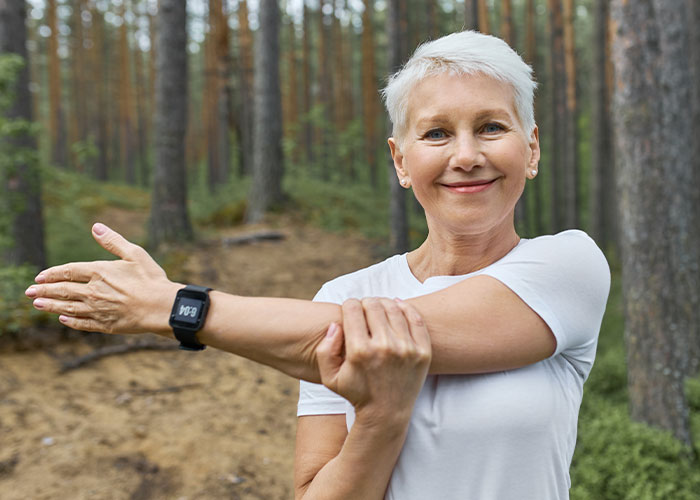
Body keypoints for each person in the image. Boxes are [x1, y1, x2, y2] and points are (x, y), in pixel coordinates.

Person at [25, 31, 610, 500]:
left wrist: (176, 307)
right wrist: (381, 418)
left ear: (530, 149)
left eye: (491, 127)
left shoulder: (568, 265)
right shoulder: (346, 291)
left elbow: (352, 339)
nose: (466, 155)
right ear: (401, 160)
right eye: (436, 133)